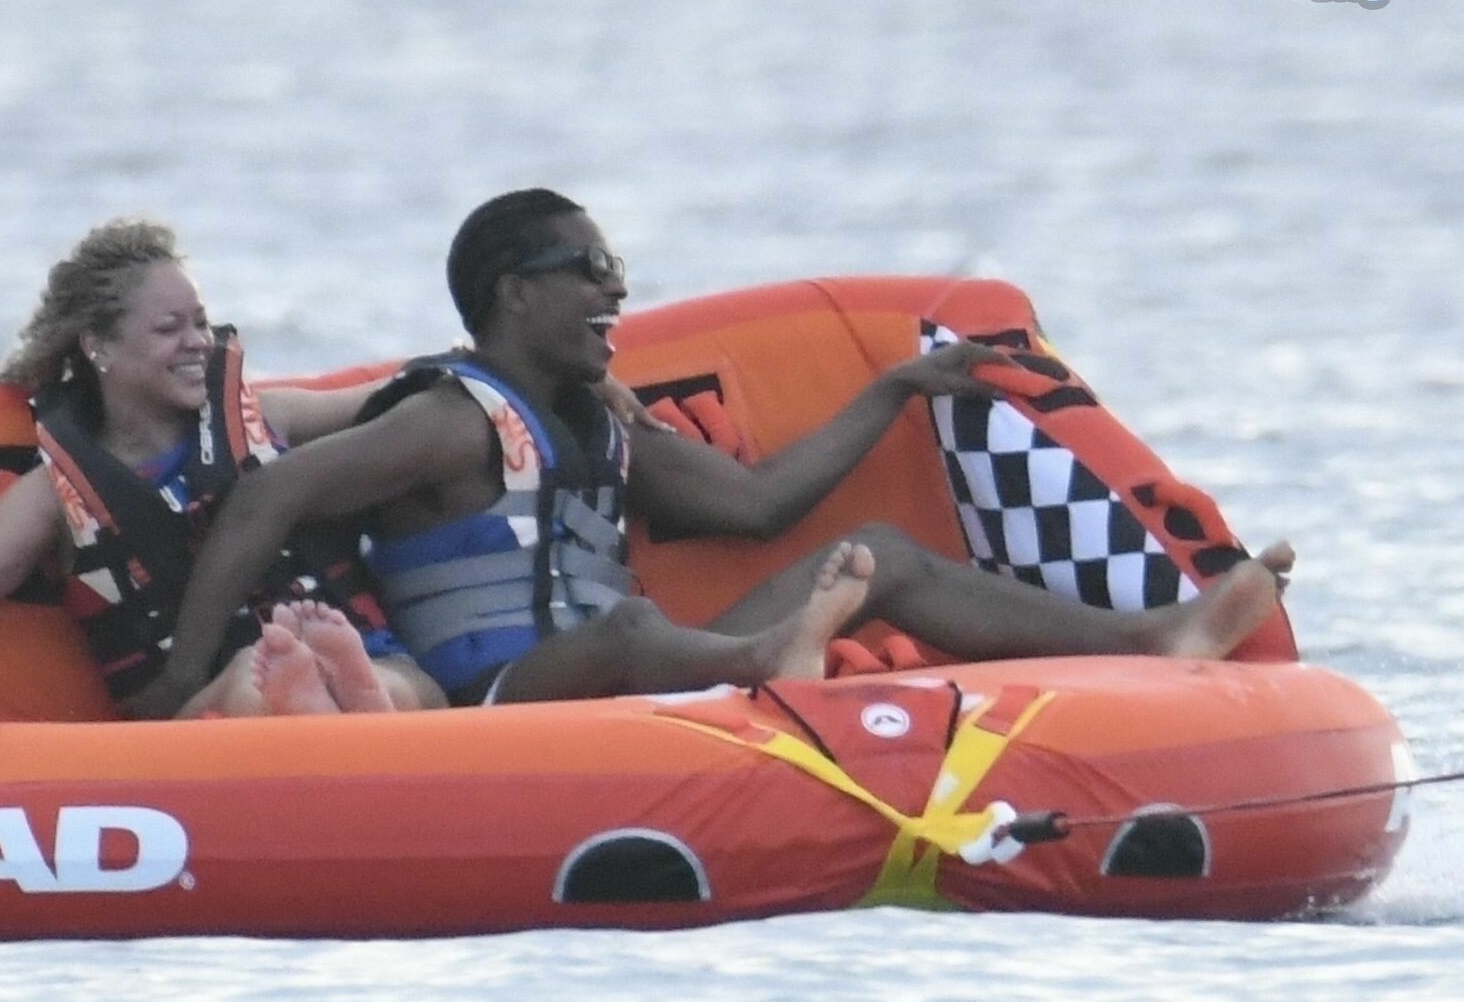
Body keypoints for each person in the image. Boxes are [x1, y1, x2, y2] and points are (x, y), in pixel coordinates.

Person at [129, 189, 1292, 715]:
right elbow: (271, 496)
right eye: (589, 270)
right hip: (497, 697)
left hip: (627, 665)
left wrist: (891, 389)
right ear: (515, 291)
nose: (615, 290)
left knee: (879, 555)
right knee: (629, 627)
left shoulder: (598, 422)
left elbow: (754, 504)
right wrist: (183, 672)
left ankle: (1159, 637)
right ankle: (767, 661)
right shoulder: (447, 420)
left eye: (616, 270)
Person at [0, 219, 450, 717]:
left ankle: (346, 691)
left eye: (201, 323)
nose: (198, 343)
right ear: (98, 347)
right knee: (255, 677)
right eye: (169, 329)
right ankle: (325, 697)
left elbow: (404, 400)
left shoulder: (272, 417)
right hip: (208, 700)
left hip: (360, 648)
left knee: (396, 679)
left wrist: (471, 369)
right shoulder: (54, 496)